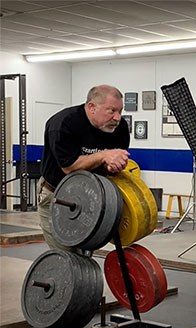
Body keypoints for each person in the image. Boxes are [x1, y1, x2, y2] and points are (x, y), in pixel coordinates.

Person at [38, 85, 130, 251]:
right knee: (65, 256)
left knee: (86, 253)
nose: (117, 117)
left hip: (91, 197)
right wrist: (104, 155)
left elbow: (110, 167)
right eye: (111, 111)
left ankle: (85, 278)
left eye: (120, 111)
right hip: (57, 195)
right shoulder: (63, 123)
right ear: (91, 107)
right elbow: (69, 168)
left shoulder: (120, 128)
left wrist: (113, 166)